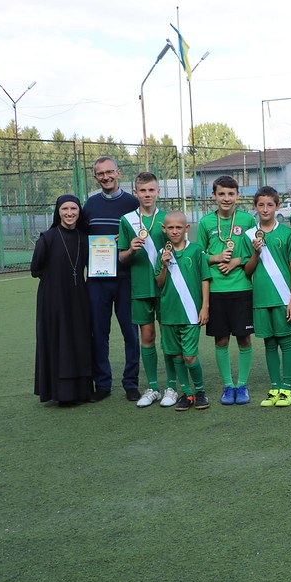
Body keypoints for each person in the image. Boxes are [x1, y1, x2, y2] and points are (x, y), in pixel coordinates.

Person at [116, 171, 179, 408]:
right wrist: (131, 249)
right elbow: (121, 258)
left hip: (166, 287)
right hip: (141, 288)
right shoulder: (127, 220)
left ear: (158, 192)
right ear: (136, 193)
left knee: (169, 338)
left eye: (151, 190)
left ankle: (171, 386)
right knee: (148, 336)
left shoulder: (168, 219)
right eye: (143, 190)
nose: (147, 194)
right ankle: (153, 386)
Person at [81, 157, 140, 401]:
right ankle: (103, 384)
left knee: (131, 333)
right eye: (100, 174)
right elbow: (81, 239)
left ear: (118, 173)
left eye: (109, 172)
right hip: (98, 280)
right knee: (98, 333)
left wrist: (124, 239)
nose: (105, 177)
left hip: (126, 278)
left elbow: (141, 233)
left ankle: (131, 383)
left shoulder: (132, 202)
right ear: (95, 177)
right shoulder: (90, 205)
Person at [196, 175, 257, 405]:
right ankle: (227, 385)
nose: (226, 198)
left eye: (231, 194)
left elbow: (256, 254)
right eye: (221, 194)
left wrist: (235, 261)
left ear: (238, 196)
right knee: (221, 340)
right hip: (216, 291)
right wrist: (216, 257)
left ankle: (242, 385)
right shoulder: (205, 223)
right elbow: (199, 255)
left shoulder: (247, 221)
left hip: (242, 288)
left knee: (244, 339)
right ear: (213, 196)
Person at [32, 194, 93, 405]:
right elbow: (35, 269)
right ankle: (62, 393)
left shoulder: (84, 238)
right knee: (59, 341)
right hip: (53, 300)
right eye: (65, 209)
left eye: (73, 209)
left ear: (79, 212)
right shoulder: (47, 238)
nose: (69, 213)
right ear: (58, 212)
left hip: (78, 297)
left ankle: (83, 391)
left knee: (80, 340)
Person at [245, 186, 291, 408]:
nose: (265, 209)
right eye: (261, 205)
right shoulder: (250, 235)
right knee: (269, 344)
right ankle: (275, 387)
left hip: (283, 298)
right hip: (261, 299)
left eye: (270, 205)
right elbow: (247, 271)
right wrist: (256, 252)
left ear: (277, 206)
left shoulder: (286, 234)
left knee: (285, 343)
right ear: (255, 207)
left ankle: (287, 389)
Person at [155, 211, 211, 411]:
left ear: (186, 229)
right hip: (169, 314)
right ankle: (187, 394)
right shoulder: (162, 253)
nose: (175, 231)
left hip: (191, 314)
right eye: (170, 227)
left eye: (179, 227)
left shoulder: (196, 251)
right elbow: (159, 283)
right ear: (164, 229)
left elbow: (205, 278)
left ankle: (200, 391)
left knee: (189, 356)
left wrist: (205, 306)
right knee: (176, 356)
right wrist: (163, 265)